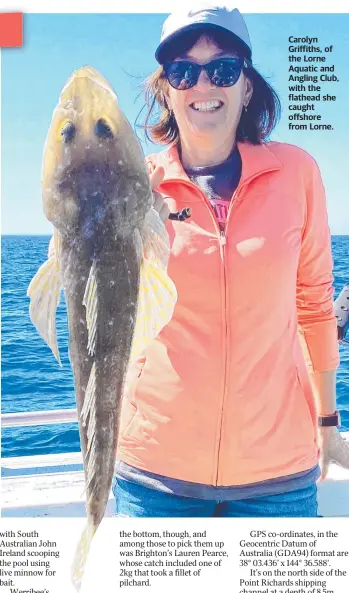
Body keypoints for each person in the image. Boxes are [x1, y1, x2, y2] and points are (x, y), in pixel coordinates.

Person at [110, 4, 349, 518]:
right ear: (165, 90)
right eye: (183, 70)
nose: (203, 83)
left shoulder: (298, 173)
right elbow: (104, 309)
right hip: (154, 474)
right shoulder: (133, 187)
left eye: (222, 68)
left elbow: (313, 305)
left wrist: (327, 423)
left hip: (278, 475)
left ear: (246, 86)